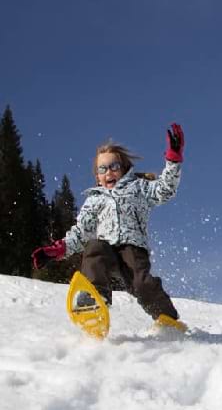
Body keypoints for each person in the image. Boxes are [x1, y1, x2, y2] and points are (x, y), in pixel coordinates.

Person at [32, 124, 186, 329]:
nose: (109, 172)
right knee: (94, 247)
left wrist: (173, 159)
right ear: (97, 176)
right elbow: (80, 233)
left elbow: (165, 189)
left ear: (123, 169)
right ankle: (95, 300)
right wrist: (57, 249)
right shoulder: (94, 200)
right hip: (107, 250)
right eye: (102, 169)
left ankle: (167, 318)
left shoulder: (138, 188)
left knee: (141, 285)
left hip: (132, 249)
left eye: (114, 166)